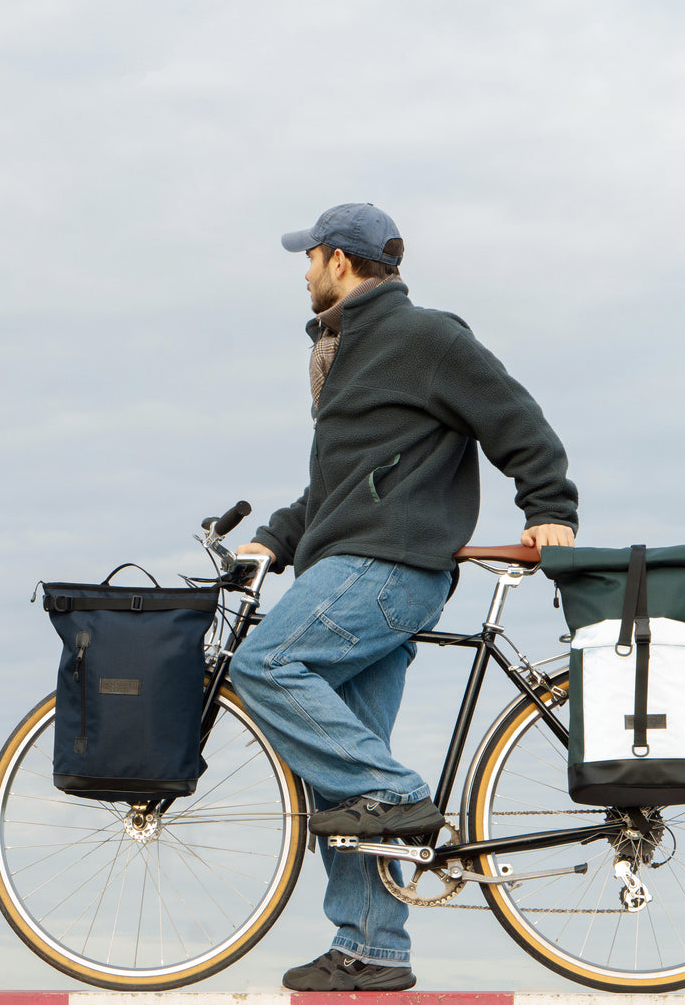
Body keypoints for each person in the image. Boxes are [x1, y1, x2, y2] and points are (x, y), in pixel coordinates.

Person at [227, 202, 578, 991]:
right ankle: (372, 948)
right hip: (351, 559)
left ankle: (399, 795)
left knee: (263, 667)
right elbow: (339, 486)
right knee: (338, 777)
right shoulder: (340, 353)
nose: (303, 270)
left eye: (309, 256)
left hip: (387, 565)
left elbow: (516, 418)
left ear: (340, 262)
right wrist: (275, 540)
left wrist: (549, 508)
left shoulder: (423, 337)